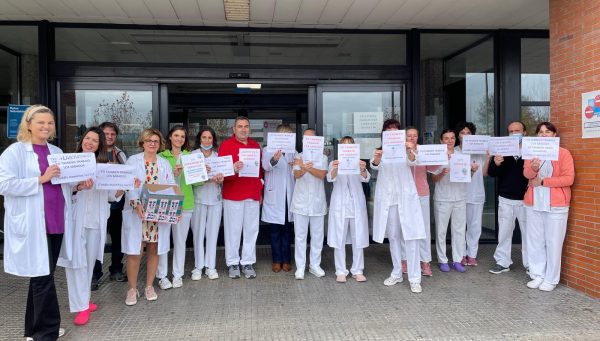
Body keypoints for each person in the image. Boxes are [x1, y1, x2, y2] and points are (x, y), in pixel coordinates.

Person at [0, 105, 72, 340]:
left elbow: (64, 184)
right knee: (43, 277)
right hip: (33, 224)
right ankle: (46, 333)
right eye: (40, 122)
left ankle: (32, 330)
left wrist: (79, 186)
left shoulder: (56, 150)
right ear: (28, 125)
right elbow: (4, 184)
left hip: (56, 221)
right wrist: (40, 179)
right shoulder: (15, 152)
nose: (46, 126)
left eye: (49, 123)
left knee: (42, 275)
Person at [59, 127, 133, 326]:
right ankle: (80, 306)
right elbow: (63, 190)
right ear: (82, 140)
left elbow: (111, 196)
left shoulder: (103, 166)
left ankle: (84, 300)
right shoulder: (70, 162)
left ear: (100, 145)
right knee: (76, 264)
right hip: (76, 221)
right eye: (87, 138)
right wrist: (79, 186)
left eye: (94, 140)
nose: (89, 142)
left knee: (89, 263)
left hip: (96, 222)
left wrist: (125, 186)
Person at [371, 119, 426, 293]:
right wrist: (378, 159)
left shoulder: (406, 148)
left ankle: (415, 278)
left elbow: (413, 161)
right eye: (389, 130)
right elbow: (374, 165)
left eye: (395, 129)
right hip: (389, 200)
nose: (392, 132)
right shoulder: (379, 151)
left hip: (405, 198)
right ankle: (396, 272)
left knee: (411, 237)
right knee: (393, 236)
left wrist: (409, 150)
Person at [122, 128, 175, 305]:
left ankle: (149, 286)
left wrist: (173, 210)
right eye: (149, 141)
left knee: (153, 249)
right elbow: (128, 185)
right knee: (135, 251)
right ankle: (132, 289)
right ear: (142, 143)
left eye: (156, 141)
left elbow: (171, 187)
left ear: (159, 145)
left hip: (157, 215)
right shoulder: (132, 161)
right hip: (137, 213)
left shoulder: (164, 163)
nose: (152, 144)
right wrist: (135, 203)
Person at [523, 122, 574, 292]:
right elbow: (527, 175)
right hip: (534, 202)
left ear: (554, 135)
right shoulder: (531, 152)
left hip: (556, 205)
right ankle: (538, 274)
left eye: (548, 132)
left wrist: (544, 181)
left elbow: (569, 179)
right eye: (541, 132)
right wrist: (533, 168)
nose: (544, 135)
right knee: (535, 241)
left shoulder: (563, 153)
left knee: (553, 242)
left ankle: (551, 279)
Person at [218, 116, 263, 279]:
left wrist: (260, 192)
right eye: (240, 126)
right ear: (234, 129)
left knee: (251, 230)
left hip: (252, 194)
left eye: (246, 126)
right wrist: (233, 168)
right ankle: (233, 263)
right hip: (233, 195)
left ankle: (248, 262)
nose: (243, 129)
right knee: (233, 231)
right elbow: (220, 174)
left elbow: (260, 173)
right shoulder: (226, 146)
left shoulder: (255, 146)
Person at [431, 128, 478, 273]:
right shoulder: (437, 156)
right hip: (443, 198)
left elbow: (466, 174)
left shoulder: (462, 156)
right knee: (441, 231)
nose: (450, 141)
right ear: (441, 140)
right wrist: (442, 173)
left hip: (460, 197)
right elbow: (433, 179)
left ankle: (457, 260)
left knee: (458, 230)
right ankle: (443, 260)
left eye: (452, 138)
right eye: (446, 138)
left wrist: (473, 170)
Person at [488, 121, 529, 274]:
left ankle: (530, 264)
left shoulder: (531, 150)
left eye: (517, 130)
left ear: (524, 133)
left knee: (528, 233)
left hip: (526, 199)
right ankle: (502, 262)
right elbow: (492, 173)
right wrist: (496, 163)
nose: (514, 133)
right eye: (511, 131)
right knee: (504, 232)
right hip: (506, 198)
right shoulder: (502, 150)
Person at [327, 136, 370, 283]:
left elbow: (365, 178)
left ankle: (358, 270)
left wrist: (363, 169)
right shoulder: (334, 163)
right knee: (339, 238)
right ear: (339, 148)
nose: (347, 147)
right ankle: (340, 271)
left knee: (358, 238)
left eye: (349, 145)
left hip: (356, 206)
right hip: (340, 206)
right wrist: (335, 169)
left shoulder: (359, 163)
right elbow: (329, 178)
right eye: (343, 145)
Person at [157, 125, 195, 289]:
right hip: (166, 203)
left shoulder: (191, 157)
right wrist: (174, 174)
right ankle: (162, 276)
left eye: (182, 136)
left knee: (180, 242)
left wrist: (205, 173)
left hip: (185, 204)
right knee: (163, 241)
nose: (179, 139)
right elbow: (156, 182)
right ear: (170, 137)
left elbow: (198, 181)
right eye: (176, 135)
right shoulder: (161, 157)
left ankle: (178, 275)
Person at [91, 122, 128, 290]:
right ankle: (94, 275)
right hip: (97, 203)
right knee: (95, 240)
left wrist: (124, 187)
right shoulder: (92, 153)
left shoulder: (120, 154)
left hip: (117, 204)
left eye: (113, 134)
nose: (110, 136)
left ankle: (116, 270)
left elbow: (127, 175)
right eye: (106, 133)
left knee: (117, 239)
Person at [290, 128, 328, 280]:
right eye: (306, 138)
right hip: (300, 203)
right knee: (300, 236)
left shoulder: (323, 157)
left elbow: (321, 175)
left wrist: (306, 167)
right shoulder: (297, 156)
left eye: (311, 138)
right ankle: (300, 267)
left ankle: (315, 265)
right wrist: (302, 168)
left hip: (317, 203)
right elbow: (297, 175)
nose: (308, 141)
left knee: (317, 236)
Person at [261, 124, 296, 273]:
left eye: (288, 135)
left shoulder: (294, 152)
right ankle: (276, 260)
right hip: (274, 195)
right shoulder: (267, 150)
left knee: (287, 231)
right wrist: (274, 159)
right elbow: (265, 167)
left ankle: (286, 260)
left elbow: (298, 172)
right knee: (275, 231)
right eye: (283, 135)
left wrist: (296, 164)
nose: (285, 138)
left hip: (289, 195)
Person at [191, 127, 224, 280]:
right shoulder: (193, 156)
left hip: (215, 199)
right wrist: (203, 174)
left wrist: (220, 179)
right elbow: (191, 179)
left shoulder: (218, 157)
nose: (206, 140)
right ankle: (198, 267)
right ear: (199, 139)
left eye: (209, 138)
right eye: (204, 138)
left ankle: (211, 266)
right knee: (198, 233)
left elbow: (224, 178)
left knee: (212, 234)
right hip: (198, 199)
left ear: (213, 140)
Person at [406, 127, 439, 277]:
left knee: (423, 227)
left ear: (418, 137)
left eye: (414, 136)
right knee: (405, 228)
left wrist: (441, 158)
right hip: (405, 194)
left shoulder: (424, 150)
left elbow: (433, 168)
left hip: (421, 193)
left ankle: (425, 261)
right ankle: (405, 259)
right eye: (409, 136)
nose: (412, 138)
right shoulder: (399, 151)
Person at [455, 122, 489, 266]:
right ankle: (461, 254)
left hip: (476, 193)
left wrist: (488, 157)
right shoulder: (454, 151)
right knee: (460, 226)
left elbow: (484, 173)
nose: (465, 135)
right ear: (458, 135)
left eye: (468, 133)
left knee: (475, 226)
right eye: (462, 132)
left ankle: (472, 254)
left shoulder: (479, 152)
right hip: (459, 194)